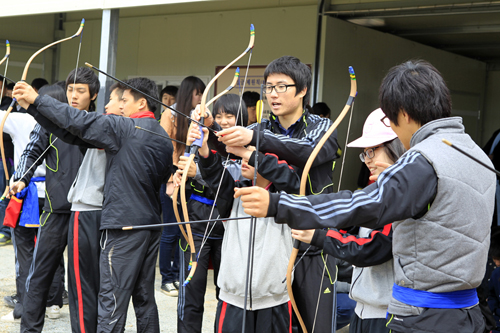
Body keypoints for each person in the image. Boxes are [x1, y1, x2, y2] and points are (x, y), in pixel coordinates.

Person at [237, 59, 495, 333]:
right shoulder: (476, 155)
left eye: (392, 122)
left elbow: (364, 204)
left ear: (404, 114)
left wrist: (278, 204)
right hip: (466, 313)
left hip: (425, 318)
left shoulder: (424, 160)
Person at [13, 76, 173, 333]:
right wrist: (36, 108)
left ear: (141, 102)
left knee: (110, 301)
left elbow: (79, 121)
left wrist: (36, 100)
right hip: (151, 223)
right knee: (144, 299)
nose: (119, 105)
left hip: (122, 226)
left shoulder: (124, 128)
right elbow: (73, 131)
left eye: (123, 100)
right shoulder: (163, 137)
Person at [214, 55, 340, 332]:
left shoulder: (321, 127)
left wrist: (255, 146)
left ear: (303, 90)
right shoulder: (259, 129)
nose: (273, 94)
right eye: (269, 88)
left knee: (313, 324)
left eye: (281, 86)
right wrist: (205, 148)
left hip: (311, 247)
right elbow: (227, 174)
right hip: (269, 250)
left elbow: (307, 152)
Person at [177, 112, 296, 332]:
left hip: (275, 301)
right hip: (233, 300)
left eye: (251, 155)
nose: (244, 159)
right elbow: (215, 174)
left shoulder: (288, 199)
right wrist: (204, 148)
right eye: (243, 155)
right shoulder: (234, 194)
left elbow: (294, 181)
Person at [292, 108, 405, 333]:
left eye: (373, 151)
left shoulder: (404, 198)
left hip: (389, 314)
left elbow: (372, 249)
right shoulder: (377, 192)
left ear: (396, 147)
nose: (368, 160)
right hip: (363, 309)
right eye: (365, 153)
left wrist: (318, 236)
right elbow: (350, 216)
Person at [10, 68, 97, 332]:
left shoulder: (99, 123)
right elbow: (32, 150)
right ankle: (30, 328)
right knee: (38, 274)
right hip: (54, 210)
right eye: (70, 89)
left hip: (87, 213)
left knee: (83, 280)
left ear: (93, 96)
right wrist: (21, 178)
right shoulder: (49, 121)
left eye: (81, 91)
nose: (73, 96)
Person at [0, 85, 52, 323]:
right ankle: (53, 302)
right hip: (53, 193)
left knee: (24, 251)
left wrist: (11, 100)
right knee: (51, 249)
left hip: (26, 191)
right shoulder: (67, 121)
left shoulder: (20, 119)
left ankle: (24, 305)